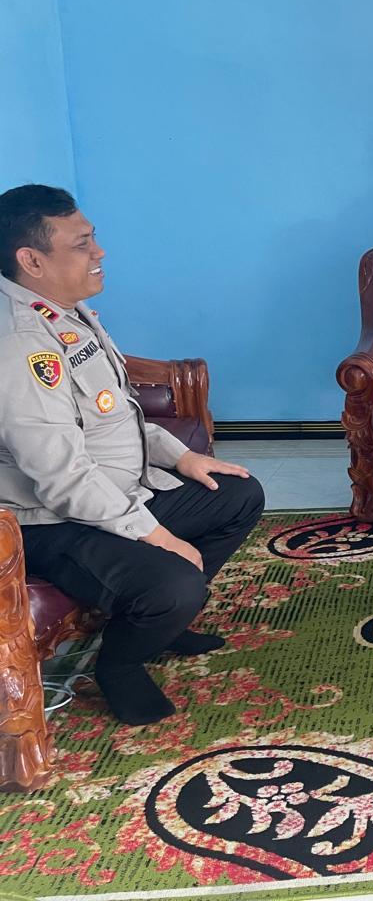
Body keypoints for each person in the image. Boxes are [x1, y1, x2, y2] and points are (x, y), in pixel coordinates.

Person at [0, 184, 264, 725]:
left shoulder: (63, 312)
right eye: (82, 243)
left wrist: (180, 457)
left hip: (112, 494)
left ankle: (161, 625)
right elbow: (61, 477)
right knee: (175, 582)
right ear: (32, 260)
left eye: (92, 238)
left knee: (237, 493)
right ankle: (119, 664)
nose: (98, 252)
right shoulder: (20, 343)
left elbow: (115, 411)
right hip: (50, 521)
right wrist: (157, 536)